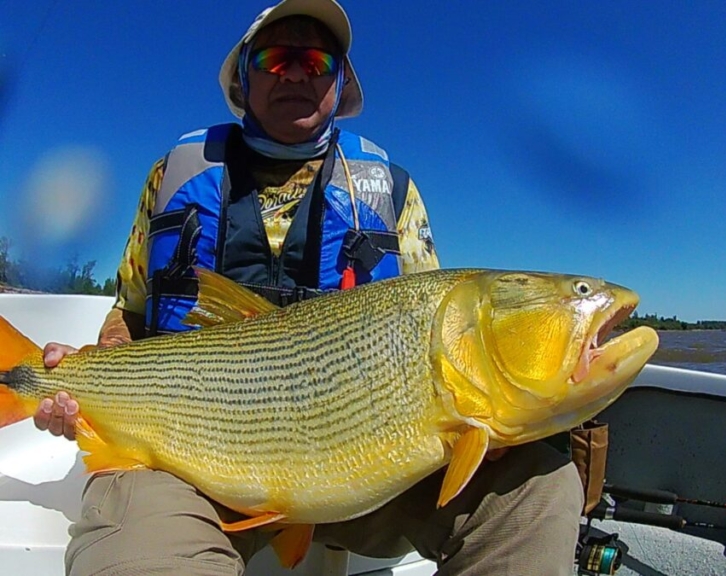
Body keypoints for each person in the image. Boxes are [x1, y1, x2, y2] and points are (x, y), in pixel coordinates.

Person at [35, 1, 584, 574]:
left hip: (368, 465)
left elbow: (434, 336)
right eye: (275, 58)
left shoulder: (391, 192)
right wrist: (87, 392)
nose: (295, 72)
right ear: (244, 77)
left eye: (315, 59)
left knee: (540, 491)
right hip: (186, 464)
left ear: (339, 79)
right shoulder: (172, 175)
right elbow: (129, 314)